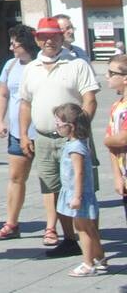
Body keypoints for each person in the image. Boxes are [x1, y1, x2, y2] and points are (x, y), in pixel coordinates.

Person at [18, 16, 99, 258]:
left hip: (72, 138)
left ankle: (93, 242)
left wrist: (80, 129)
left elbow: (90, 100)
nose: (49, 40)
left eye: (54, 35)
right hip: (43, 138)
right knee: (53, 189)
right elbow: (25, 104)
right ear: (37, 39)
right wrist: (24, 134)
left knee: (83, 189)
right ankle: (69, 239)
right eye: (44, 36)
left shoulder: (77, 64)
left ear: (62, 37)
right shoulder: (30, 69)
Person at [0, 25, 38, 240]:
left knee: (50, 181)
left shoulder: (40, 65)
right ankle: (11, 223)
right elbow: (3, 94)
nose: (11, 48)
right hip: (17, 133)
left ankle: (52, 226)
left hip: (42, 131)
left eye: (15, 44)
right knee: (15, 177)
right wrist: (0, 121)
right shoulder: (10, 66)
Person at [54, 103, 105, 277]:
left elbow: (79, 173)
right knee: (90, 229)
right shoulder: (78, 143)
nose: (57, 128)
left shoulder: (76, 147)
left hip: (79, 194)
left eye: (59, 125)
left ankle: (88, 263)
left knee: (82, 229)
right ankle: (100, 258)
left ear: (71, 126)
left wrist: (76, 196)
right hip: (80, 193)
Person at [102, 53, 127, 225]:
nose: (107, 76)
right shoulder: (116, 106)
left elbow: (122, 139)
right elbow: (112, 143)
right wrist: (117, 176)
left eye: (111, 73)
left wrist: (108, 141)